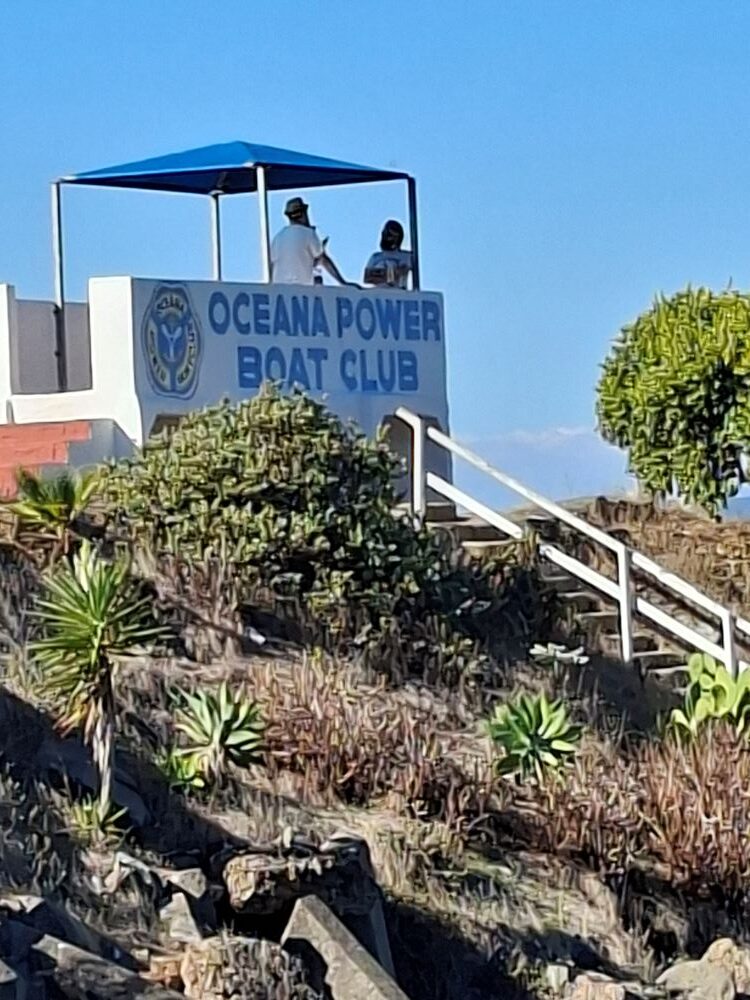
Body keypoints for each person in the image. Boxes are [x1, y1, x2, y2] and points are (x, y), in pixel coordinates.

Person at [270, 196, 352, 286]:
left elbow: (275, 266)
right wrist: (342, 282)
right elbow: (323, 260)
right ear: (304, 213)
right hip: (302, 292)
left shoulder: (277, 238)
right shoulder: (308, 233)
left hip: (280, 291)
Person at [363, 220, 413, 289]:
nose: (386, 238)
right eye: (385, 234)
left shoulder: (407, 257)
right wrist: (394, 274)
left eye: (390, 235)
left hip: (399, 294)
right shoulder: (375, 257)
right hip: (380, 295)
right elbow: (368, 277)